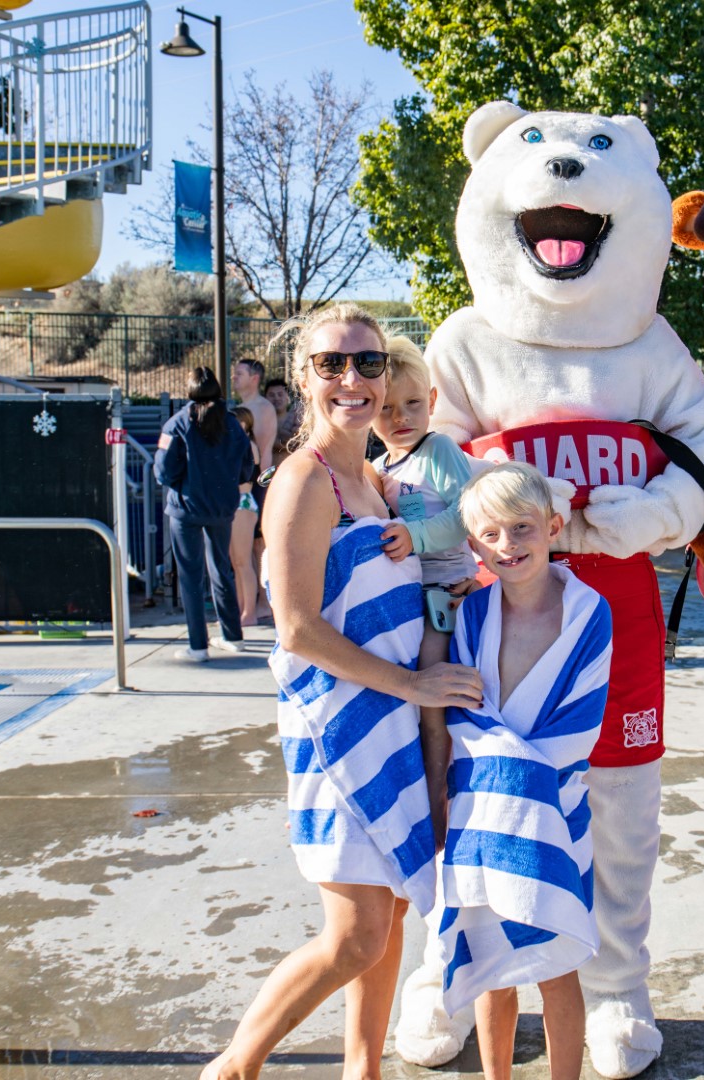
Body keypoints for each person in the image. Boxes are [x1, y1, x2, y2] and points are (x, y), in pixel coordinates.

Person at [200, 303, 484, 1080]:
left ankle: (365, 1071)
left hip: (391, 725)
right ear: (304, 379)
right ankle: (235, 1066)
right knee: (354, 935)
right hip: (339, 732)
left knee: (388, 914)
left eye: (368, 363)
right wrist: (412, 680)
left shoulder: (379, 481)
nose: (352, 379)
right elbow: (295, 628)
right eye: (332, 364)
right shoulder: (305, 480)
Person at [436, 462, 612, 1080]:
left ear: (553, 526)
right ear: (472, 542)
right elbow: (463, 713)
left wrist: (516, 776)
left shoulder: (591, 613)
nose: (508, 546)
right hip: (484, 815)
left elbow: (580, 724)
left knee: (558, 967)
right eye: (491, 534)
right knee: (492, 969)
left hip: (558, 812)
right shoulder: (473, 616)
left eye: (522, 528)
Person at [371, 335, 484, 846]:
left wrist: (414, 537)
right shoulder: (378, 470)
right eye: (388, 407)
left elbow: (465, 517)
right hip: (409, 602)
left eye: (414, 404)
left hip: (448, 596)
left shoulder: (436, 449)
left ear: (433, 402)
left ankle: (439, 818)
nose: (401, 417)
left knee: (433, 702)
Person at [154, 366, 252, 661]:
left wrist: (184, 485)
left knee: (190, 576)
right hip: (223, 509)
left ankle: (198, 646)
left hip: (186, 509)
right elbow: (246, 468)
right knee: (222, 570)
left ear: (190, 390)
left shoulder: (177, 424)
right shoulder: (233, 425)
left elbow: (163, 471)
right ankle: (233, 636)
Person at [230, 407, 264, 626]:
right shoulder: (235, 445)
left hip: (242, 503)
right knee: (236, 562)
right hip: (233, 504)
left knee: (243, 562)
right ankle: (241, 609)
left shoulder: (247, 446)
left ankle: (249, 612)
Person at [264, 375, 300, 463]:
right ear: (265, 398)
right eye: (271, 395)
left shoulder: (297, 420)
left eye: (280, 394)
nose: (276, 398)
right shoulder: (260, 421)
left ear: (288, 398)